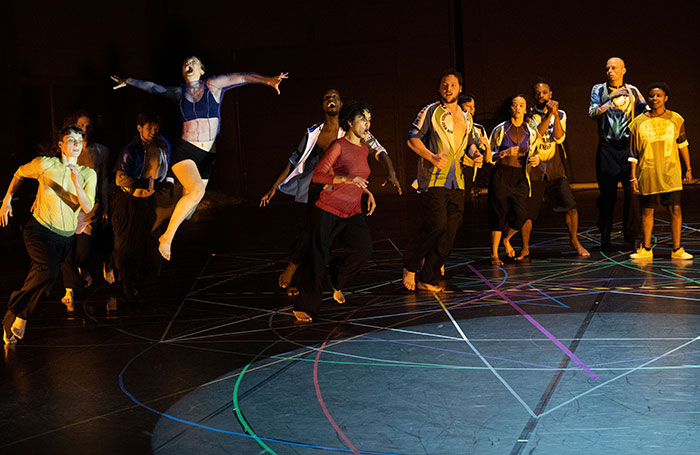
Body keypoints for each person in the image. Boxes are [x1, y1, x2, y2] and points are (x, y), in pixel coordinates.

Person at [112, 56, 288, 260]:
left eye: (193, 62)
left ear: (202, 70)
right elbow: (154, 87)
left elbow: (241, 77)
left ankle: (160, 214)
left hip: (207, 156)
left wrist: (268, 80)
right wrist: (129, 81)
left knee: (189, 209)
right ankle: (166, 238)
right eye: (185, 63)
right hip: (186, 151)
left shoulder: (213, 85)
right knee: (196, 191)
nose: (188, 64)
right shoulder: (179, 92)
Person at [260, 88, 400, 293]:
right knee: (311, 234)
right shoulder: (314, 133)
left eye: (335, 97)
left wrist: (391, 172)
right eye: (327, 98)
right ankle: (295, 271)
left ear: (342, 105)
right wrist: (274, 187)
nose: (331, 100)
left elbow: (378, 150)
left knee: (325, 239)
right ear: (322, 106)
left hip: (345, 193)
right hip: (319, 189)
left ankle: (306, 273)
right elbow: (293, 161)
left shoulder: (357, 130)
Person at [1, 125, 96, 344]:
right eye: (70, 140)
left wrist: (76, 183)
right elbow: (19, 172)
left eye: (79, 141)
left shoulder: (87, 174)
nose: (75, 145)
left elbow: (88, 206)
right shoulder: (45, 164)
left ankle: (10, 319)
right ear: (61, 144)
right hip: (39, 231)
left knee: (41, 277)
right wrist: (7, 199)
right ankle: (21, 315)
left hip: (64, 239)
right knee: (49, 271)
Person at [293, 102, 377, 322]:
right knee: (317, 257)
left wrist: (368, 193)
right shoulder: (338, 145)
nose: (367, 124)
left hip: (352, 209)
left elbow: (359, 176)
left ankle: (335, 279)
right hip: (329, 208)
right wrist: (346, 179)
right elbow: (318, 176)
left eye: (369, 120)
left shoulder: (364, 149)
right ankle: (305, 306)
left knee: (364, 250)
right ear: (350, 122)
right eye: (362, 119)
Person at [402, 70, 482, 291]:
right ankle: (410, 264)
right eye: (445, 85)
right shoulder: (430, 111)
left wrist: (475, 154)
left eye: (453, 85)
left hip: (457, 182)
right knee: (436, 226)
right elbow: (412, 138)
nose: (448, 89)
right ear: (439, 89)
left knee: (449, 236)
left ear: (460, 89)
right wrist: (431, 156)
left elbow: (470, 144)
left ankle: (427, 278)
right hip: (434, 179)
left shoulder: (467, 116)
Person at [515, 80, 590, 260]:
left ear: (551, 94)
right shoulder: (529, 114)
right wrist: (549, 116)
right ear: (534, 96)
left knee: (570, 206)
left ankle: (575, 241)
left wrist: (555, 115)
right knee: (528, 212)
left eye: (545, 93)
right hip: (534, 167)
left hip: (554, 166)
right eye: (538, 93)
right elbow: (538, 134)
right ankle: (525, 248)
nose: (542, 96)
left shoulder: (561, 114)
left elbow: (559, 138)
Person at [629, 83, 693, 260]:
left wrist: (688, 168)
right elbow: (633, 153)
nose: (654, 99)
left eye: (658, 96)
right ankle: (647, 249)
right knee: (647, 210)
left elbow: (682, 144)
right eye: (651, 96)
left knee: (675, 208)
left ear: (666, 98)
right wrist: (633, 176)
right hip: (648, 172)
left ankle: (677, 249)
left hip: (670, 171)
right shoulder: (637, 123)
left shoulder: (676, 119)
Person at [111, 113, 172, 297]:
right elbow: (121, 179)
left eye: (155, 128)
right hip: (129, 202)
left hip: (149, 202)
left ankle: (146, 282)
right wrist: (152, 184)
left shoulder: (163, 146)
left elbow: (168, 167)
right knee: (126, 245)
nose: (153, 132)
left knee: (150, 241)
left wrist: (168, 183)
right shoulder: (131, 150)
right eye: (149, 128)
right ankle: (126, 282)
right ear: (139, 128)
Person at [589, 57, 645, 250]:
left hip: (627, 148)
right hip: (607, 148)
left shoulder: (633, 91)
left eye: (614, 68)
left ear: (623, 70)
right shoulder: (599, 90)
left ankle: (633, 236)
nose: (610, 71)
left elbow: (645, 111)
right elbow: (592, 112)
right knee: (607, 195)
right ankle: (605, 235)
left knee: (632, 194)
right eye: (607, 69)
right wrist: (610, 100)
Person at [60, 111, 113, 309]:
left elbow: (105, 180)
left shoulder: (102, 151)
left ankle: (85, 269)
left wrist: (106, 205)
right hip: (69, 206)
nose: (85, 129)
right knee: (64, 248)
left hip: (90, 207)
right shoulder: (67, 150)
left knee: (82, 252)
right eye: (81, 125)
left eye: (88, 126)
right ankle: (69, 288)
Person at [490, 95, 541, 265]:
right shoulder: (501, 129)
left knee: (521, 215)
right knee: (499, 214)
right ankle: (494, 255)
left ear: (525, 109)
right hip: (502, 174)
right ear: (510, 108)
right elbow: (488, 155)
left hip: (520, 176)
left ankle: (506, 238)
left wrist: (536, 160)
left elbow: (536, 153)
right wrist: (502, 153)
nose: (517, 108)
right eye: (514, 105)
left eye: (521, 105)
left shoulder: (531, 131)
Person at [459, 94, 490, 198]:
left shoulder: (478, 129)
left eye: (473, 106)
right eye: (468, 106)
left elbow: (487, 157)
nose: (472, 109)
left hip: (470, 168)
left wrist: (483, 149)